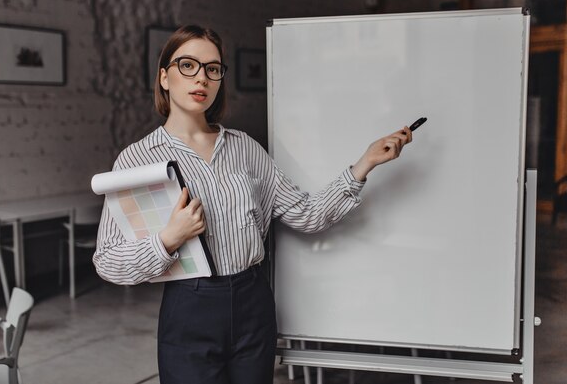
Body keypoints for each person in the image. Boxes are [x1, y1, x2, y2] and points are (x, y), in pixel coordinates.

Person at [93, 24, 412, 384]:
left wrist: (364, 163)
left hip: (253, 304)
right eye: (188, 66)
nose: (202, 78)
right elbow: (108, 262)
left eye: (213, 69)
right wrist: (168, 238)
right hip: (189, 308)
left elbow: (306, 214)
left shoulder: (245, 148)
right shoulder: (136, 160)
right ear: (164, 77)